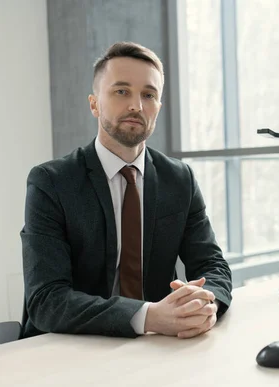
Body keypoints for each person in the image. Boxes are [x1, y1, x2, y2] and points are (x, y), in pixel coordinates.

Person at [20, 41, 232, 340]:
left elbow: (212, 264)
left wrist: (206, 302)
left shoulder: (179, 178)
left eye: (149, 95)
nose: (136, 105)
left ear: (158, 107)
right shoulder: (51, 182)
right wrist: (147, 316)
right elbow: (46, 300)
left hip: (159, 344)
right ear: (94, 104)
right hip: (71, 346)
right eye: (122, 91)